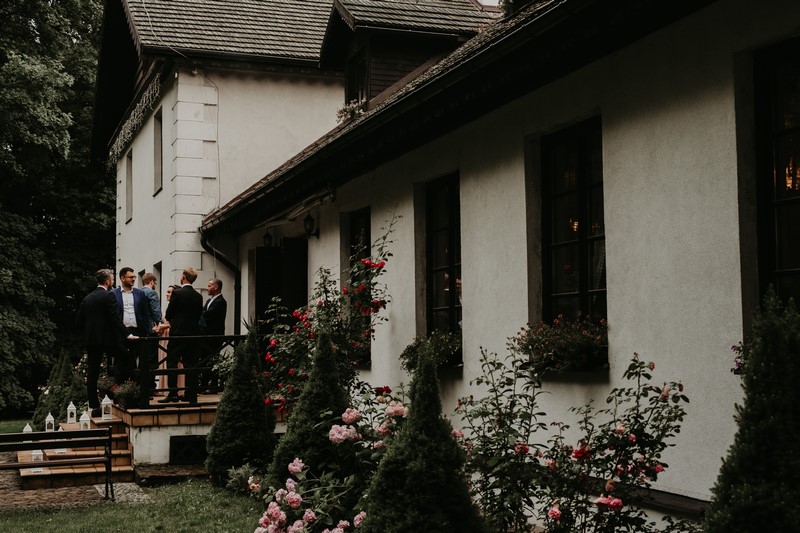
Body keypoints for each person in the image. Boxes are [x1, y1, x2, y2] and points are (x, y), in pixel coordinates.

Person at [75, 269, 135, 417]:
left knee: (93, 373)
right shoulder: (109, 295)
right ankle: (123, 389)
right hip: (107, 340)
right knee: (127, 357)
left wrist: (87, 335)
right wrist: (128, 334)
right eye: (112, 279)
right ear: (107, 281)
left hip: (92, 341)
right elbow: (115, 318)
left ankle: (94, 406)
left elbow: (78, 321)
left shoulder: (88, 298)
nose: (113, 281)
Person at [159, 267, 203, 404]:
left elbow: (169, 313)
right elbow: (198, 315)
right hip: (192, 334)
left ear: (183, 276)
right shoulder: (198, 296)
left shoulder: (177, 294)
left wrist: (175, 321)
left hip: (178, 333)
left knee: (172, 362)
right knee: (190, 364)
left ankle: (173, 393)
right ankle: (190, 393)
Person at [113, 267, 149, 383]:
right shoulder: (113, 294)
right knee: (121, 361)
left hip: (138, 331)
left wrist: (146, 331)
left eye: (134, 277)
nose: (133, 279)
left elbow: (145, 313)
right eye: (131, 277)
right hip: (121, 333)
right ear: (122, 278)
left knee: (140, 361)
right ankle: (120, 388)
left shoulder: (140, 293)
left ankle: (138, 388)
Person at [155, 285, 184, 395]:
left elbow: (173, 323)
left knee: (173, 363)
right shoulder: (169, 306)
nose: (167, 294)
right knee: (164, 363)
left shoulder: (177, 307)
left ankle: (177, 389)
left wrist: (162, 326)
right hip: (164, 337)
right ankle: (165, 389)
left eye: (169, 292)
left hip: (171, 336)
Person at [199, 278, 227, 393]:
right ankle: (204, 385)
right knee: (205, 360)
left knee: (213, 360)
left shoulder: (221, 301)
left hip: (215, 336)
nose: (207, 288)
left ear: (216, 287)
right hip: (206, 336)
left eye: (209, 286)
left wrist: (201, 314)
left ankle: (213, 386)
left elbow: (208, 315)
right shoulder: (208, 301)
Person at [141, 273, 163, 379]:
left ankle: (142, 384)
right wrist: (159, 323)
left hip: (141, 329)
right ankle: (151, 386)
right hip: (151, 329)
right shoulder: (152, 293)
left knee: (142, 358)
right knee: (152, 358)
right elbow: (156, 312)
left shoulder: (138, 293)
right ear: (151, 282)